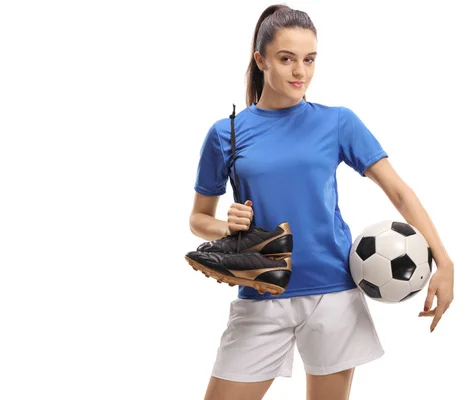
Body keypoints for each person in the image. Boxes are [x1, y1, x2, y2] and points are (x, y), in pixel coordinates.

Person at [189, 4, 454, 400]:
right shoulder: (225, 133)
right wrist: (228, 226)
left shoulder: (337, 122)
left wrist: (444, 262)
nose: (300, 72)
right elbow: (199, 219)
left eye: (309, 59)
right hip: (263, 294)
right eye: (286, 59)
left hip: (334, 295)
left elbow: (399, 191)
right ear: (261, 60)